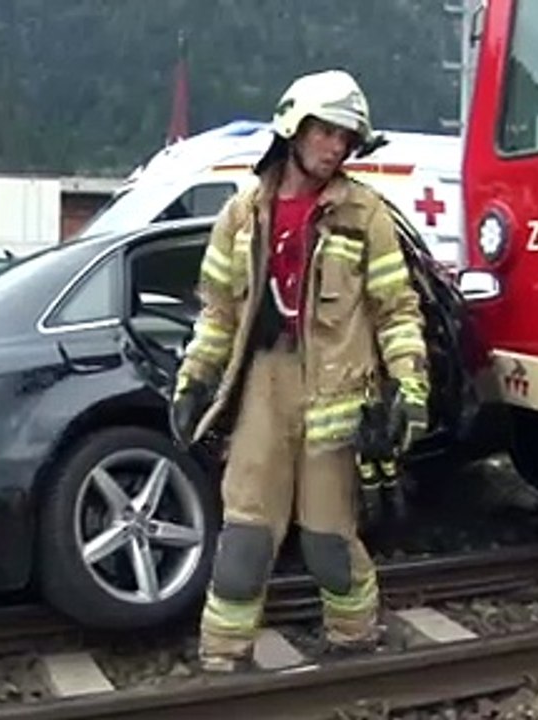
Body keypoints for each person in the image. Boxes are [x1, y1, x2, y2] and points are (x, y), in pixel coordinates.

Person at [168, 69, 431, 672]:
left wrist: (408, 390)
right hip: (262, 386)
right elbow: (218, 311)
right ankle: (222, 658)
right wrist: (194, 380)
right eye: (326, 133)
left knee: (327, 542)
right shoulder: (243, 214)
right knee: (245, 537)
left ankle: (355, 641)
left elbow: (397, 310)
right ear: (294, 127)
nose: (335, 148)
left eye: (345, 138)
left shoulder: (365, 215)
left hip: (337, 396)